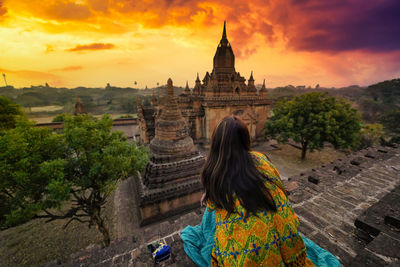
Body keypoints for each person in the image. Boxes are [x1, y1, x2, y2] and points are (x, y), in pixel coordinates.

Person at [200, 115, 314, 267]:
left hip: (240, 256)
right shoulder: (261, 159)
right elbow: (278, 185)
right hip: (282, 239)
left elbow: (213, 207)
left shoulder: (214, 172)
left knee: (211, 212)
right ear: (246, 139)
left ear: (216, 143)